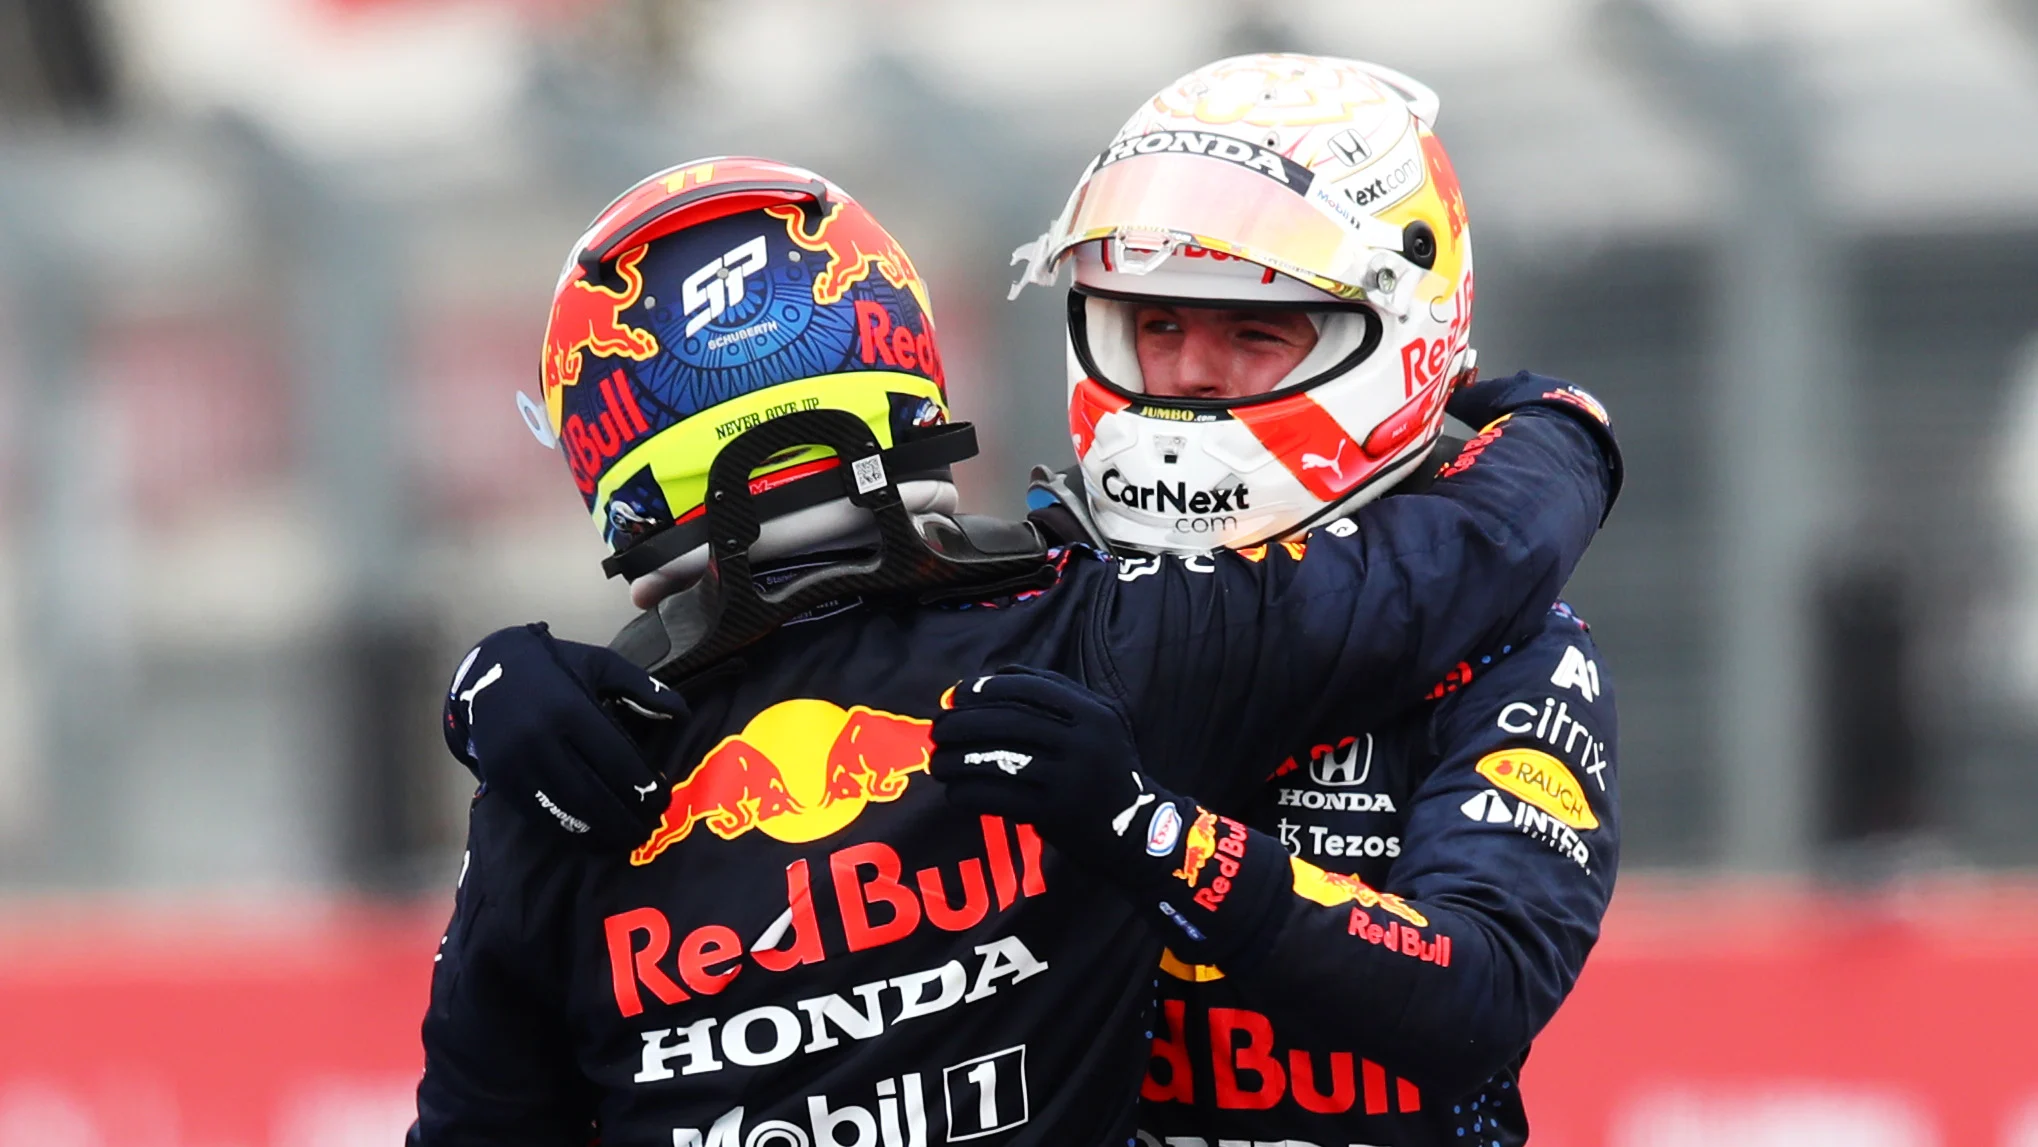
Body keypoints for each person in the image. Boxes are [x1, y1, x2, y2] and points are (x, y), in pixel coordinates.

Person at [410, 61, 1619, 1147]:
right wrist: (501, 696)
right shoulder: (1056, 590)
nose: (1187, 373)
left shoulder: (1501, 633)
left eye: (1255, 332)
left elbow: (1475, 992)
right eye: (1151, 324)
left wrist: (1158, 837)